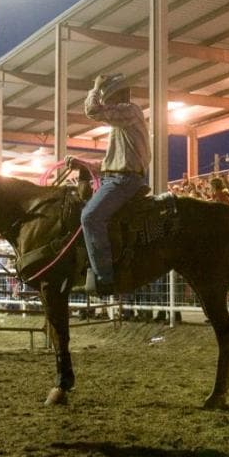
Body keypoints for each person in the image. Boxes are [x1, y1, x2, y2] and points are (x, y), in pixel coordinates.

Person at [81, 72, 151, 296]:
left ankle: (105, 278)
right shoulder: (123, 123)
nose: (106, 101)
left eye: (108, 96)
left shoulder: (130, 111)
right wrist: (84, 164)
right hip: (118, 178)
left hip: (123, 181)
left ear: (118, 95)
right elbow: (112, 162)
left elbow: (93, 110)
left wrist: (95, 86)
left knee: (90, 217)